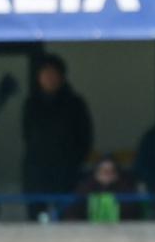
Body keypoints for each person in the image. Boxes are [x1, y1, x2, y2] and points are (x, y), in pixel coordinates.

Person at [21, 53, 94, 221]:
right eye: (44, 74)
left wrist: (73, 161)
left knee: (68, 215)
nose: (49, 78)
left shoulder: (75, 103)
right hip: (36, 171)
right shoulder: (31, 103)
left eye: (53, 74)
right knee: (37, 216)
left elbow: (85, 137)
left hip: (67, 171)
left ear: (62, 77)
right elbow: (26, 134)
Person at [64, 153, 140, 221]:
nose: (107, 174)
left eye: (111, 171)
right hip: (89, 233)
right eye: (103, 171)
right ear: (96, 172)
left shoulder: (125, 188)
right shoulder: (85, 187)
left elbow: (132, 212)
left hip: (120, 233)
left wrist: (109, 187)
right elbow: (72, 212)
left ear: (117, 174)